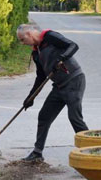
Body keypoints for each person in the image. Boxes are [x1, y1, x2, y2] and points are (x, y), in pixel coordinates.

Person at [17, 24, 88, 162]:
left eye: (22, 39)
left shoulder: (50, 37)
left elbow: (73, 45)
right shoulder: (36, 53)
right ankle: (37, 153)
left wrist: (61, 58)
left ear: (30, 34)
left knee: (75, 118)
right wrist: (30, 97)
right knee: (44, 116)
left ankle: (92, 150)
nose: (22, 43)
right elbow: (40, 77)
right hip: (59, 87)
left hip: (74, 81)